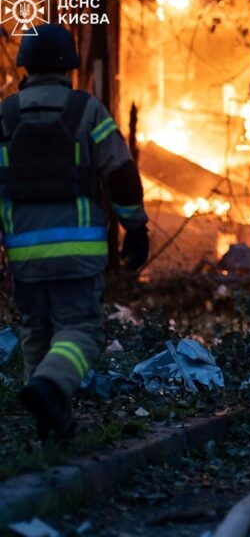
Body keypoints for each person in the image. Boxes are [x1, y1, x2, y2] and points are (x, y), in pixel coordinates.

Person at [1, 25, 149, 442]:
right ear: (69, 66)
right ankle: (49, 385)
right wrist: (134, 226)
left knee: (37, 331)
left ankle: (54, 423)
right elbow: (120, 172)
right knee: (80, 330)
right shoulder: (85, 110)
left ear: (24, 65)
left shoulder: (5, 115)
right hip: (77, 251)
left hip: (24, 252)